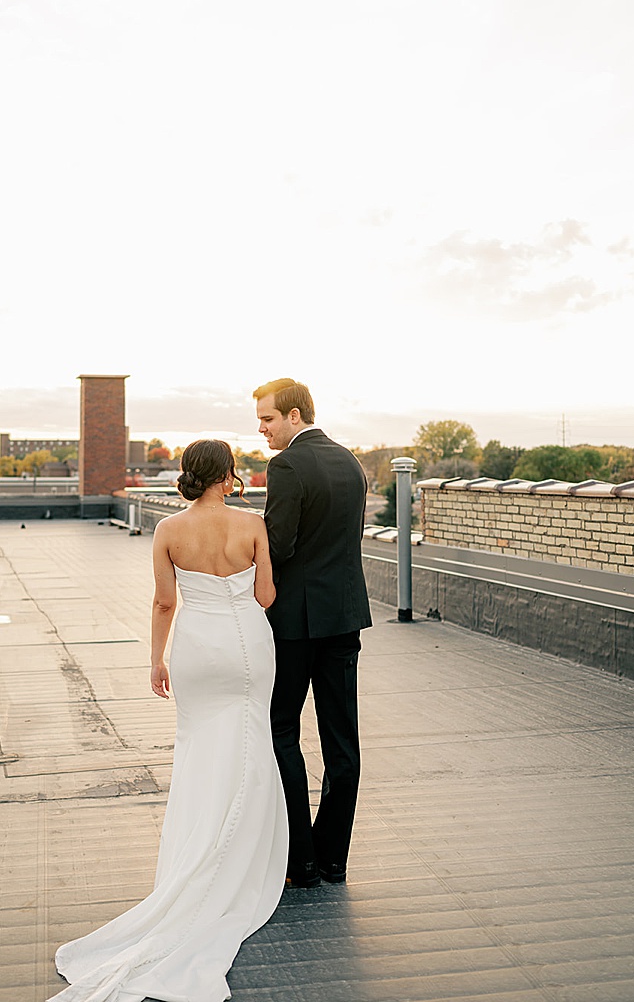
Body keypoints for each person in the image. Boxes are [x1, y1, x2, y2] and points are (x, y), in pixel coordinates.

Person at [53, 440, 287, 1002]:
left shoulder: (166, 531)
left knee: (201, 747)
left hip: (196, 649)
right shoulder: (252, 524)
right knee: (252, 743)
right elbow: (267, 593)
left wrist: (156, 659)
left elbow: (164, 603)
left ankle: (197, 849)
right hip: (248, 648)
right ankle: (241, 855)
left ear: (188, 476)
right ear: (228, 475)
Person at [253, 377, 373, 889]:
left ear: (295, 415)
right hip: (344, 618)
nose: (261, 429)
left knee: (281, 729)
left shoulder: (286, 466)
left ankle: (300, 861)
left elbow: (278, 546)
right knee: (343, 742)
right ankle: (333, 859)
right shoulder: (351, 461)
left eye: (268, 419)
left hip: (295, 626)